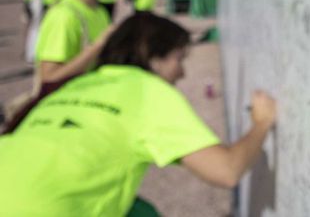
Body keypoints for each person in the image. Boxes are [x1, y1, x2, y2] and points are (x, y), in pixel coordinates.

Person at [0, 12, 277, 216]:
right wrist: (261, 123)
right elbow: (226, 171)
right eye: (179, 59)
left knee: (140, 212)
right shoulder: (148, 90)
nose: (182, 72)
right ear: (154, 57)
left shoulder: (80, 83)